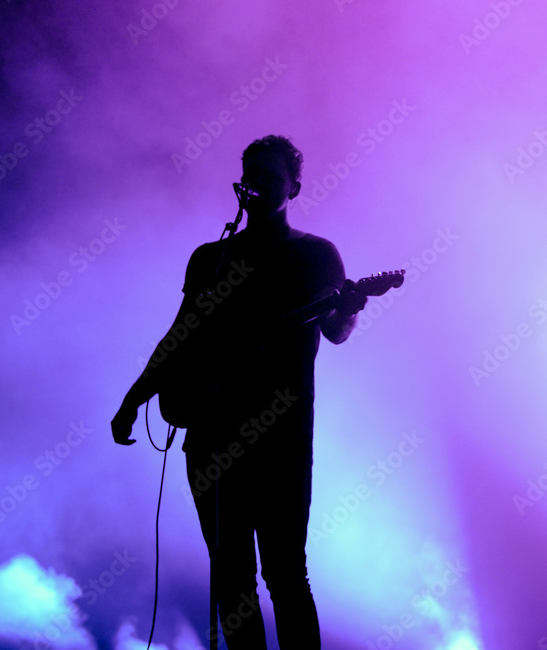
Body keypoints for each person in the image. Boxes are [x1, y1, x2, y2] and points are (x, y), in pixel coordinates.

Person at [112, 135, 367, 649]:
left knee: (285, 574)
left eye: (269, 176)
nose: (256, 183)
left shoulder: (316, 254)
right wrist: (134, 397)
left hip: (282, 435)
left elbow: (336, 332)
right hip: (211, 432)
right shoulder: (211, 257)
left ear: (294, 186)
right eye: (250, 173)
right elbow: (181, 334)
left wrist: (350, 304)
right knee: (231, 578)